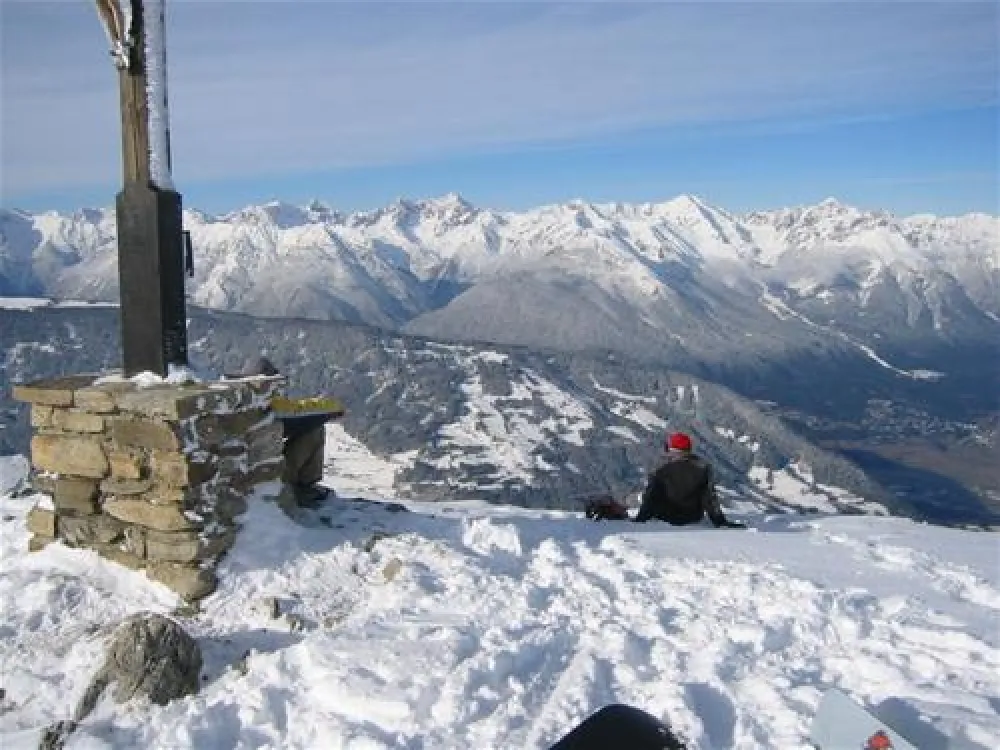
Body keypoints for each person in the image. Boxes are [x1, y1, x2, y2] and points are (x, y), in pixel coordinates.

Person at [241, 356, 331, 507]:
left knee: (314, 427)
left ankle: (302, 486)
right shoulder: (263, 406)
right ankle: (304, 487)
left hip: (258, 470)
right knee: (315, 430)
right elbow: (296, 413)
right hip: (267, 473)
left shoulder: (244, 405)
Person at [634, 431, 745, 528]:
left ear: (672, 449)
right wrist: (720, 522)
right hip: (692, 517)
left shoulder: (660, 469)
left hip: (664, 517)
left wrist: (640, 519)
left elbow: (650, 497)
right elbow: (709, 499)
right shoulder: (703, 468)